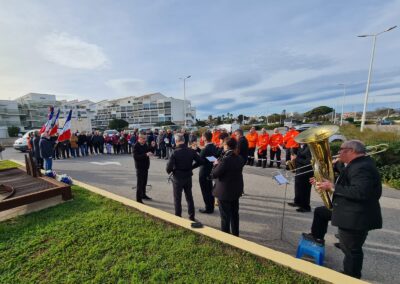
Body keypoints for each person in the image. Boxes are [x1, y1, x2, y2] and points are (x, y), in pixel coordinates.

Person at [302, 140, 382, 279]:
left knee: (351, 250)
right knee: (321, 212)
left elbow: (361, 192)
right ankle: (317, 237)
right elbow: (346, 181)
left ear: (351, 151)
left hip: (355, 216)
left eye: (341, 149)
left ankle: (350, 277)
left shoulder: (362, 167)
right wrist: (322, 182)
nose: (338, 152)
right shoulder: (356, 164)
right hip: (348, 209)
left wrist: (332, 187)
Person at [166, 133, 203, 221]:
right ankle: (191, 216)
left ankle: (178, 217)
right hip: (188, 176)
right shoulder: (191, 151)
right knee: (189, 197)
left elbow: (168, 167)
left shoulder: (175, 152)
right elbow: (200, 161)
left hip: (178, 177)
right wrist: (192, 167)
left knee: (177, 198)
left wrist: (170, 171)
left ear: (176, 141)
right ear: (184, 140)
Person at [211, 137, 244, 236]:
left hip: (225, 191)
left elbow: (214, 174)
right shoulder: (239, 158)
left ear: (226, 146)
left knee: (225, 217)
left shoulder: (225, 160)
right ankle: (235, 234)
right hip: (236, 190)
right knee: (234, 214)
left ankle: (226, 237)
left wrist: (216, 164)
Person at [288, 143, 313, 212]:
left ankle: (306, 207)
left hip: (307, 172)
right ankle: (297, 202)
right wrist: (293, 159)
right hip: (300, 170)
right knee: (297, 187)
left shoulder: (309, 148)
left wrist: (296, 159)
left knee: (305, 190)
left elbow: (309, 162)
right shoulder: (301, 146)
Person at [198, 131, 218, 214]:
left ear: (205, 138)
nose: (201, 138)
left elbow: (199, 159)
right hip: (210, 170)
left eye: (202, 136)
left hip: (204, 171)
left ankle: (208, 208)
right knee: (210, 190)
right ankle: (211, 207)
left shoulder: (206, 149)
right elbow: (212, 158)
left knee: (205, 191)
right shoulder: (213, 146)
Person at [133, 134, 153, 203]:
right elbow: (136, 157)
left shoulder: (145, 144)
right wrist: (145, 155)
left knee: (144, 182)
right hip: (139, 167)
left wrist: (153, 146)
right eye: (144, 139)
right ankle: (138, 199)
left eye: (145, 139)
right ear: (140, 138)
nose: (145, 140)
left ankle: (143, 195)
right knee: (140, 184)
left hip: (145, 167)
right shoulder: (136, 146)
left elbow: (149, 150)